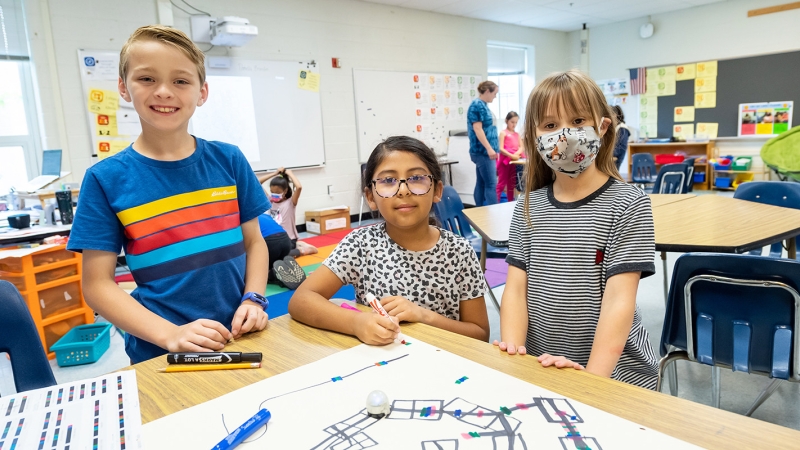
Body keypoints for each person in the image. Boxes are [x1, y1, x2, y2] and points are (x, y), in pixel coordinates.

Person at [67, 25, 270, 363]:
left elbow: (254, 243)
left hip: (240, 335)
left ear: (201, 92)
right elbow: (97, 286)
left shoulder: (229, 159)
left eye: (180, 81)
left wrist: (254, 298)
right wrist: (170, 335)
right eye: (147, 79)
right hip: (161, 351)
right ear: (124, 88)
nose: (163, 91)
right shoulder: (105, 179)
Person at [493, 70, 659, 390]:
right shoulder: (528, 206)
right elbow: (514, 290)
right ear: (535, 137)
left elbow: (618, 303)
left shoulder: (629, 204)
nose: (565, 135)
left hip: (612, 374)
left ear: (602, 126)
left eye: (579, 121)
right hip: (543, 364)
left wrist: (591, 383)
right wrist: (514, 355)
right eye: (551, 125)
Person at [289, 136, 490, 344]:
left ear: (437, 190)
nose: (403, 190)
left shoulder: (459, 251)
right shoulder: (361, 244)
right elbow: (301, 300)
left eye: (416, 178)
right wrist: (356, 323)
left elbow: (480, 334)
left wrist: (424, 316)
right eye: (387, 181)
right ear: (370, 197)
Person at [258, 168, 317, 256]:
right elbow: (257, 182)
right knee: (265, 254)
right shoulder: (271, 200)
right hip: (276, 237)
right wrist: (274, 173)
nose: (274, 194)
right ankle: (298, 246)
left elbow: (299, 187)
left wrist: (290, 174)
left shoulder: (290, 203)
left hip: (289, 239)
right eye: (272, 192)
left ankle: (301, 250)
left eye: (277, 192)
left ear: (285, 191)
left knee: (279, 256)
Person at [467, 81, 499, 206]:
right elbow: (477, 129)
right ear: (487, 91)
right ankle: (495, 213)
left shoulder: (483, 105)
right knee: (491, 184)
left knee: (481, 182)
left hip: (485, 151)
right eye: (494, 93)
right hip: (482, 152)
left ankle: (479, 210)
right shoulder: (477, 105)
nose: (495, 96)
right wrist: (489, 149)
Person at [258, 213, 306, 290]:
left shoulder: (245, 219)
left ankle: (273, 274)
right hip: (285, 240)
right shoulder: (265, 215)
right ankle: (287, 267)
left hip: (269, 243)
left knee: (255, 274)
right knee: (275, 260)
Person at [496, 111, 522, 202]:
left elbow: (522, 147)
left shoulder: (517, 134)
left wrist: (516, 154)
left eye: (516, 122)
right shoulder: (503, 133)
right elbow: (501, 148)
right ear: (507, 121)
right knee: (501, 184)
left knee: (511, 184)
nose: (514, 124)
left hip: (513, 161)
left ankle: (510, 203)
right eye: (512, 122)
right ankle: (496, 203)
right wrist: (511, 155)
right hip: (504, 161)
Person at [611, 105, 630, 171]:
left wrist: (606, 155)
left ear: (615, 115)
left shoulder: (622, 128)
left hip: (615, 160)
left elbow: (620, 149)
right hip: (610, 158)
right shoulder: (614, 128)